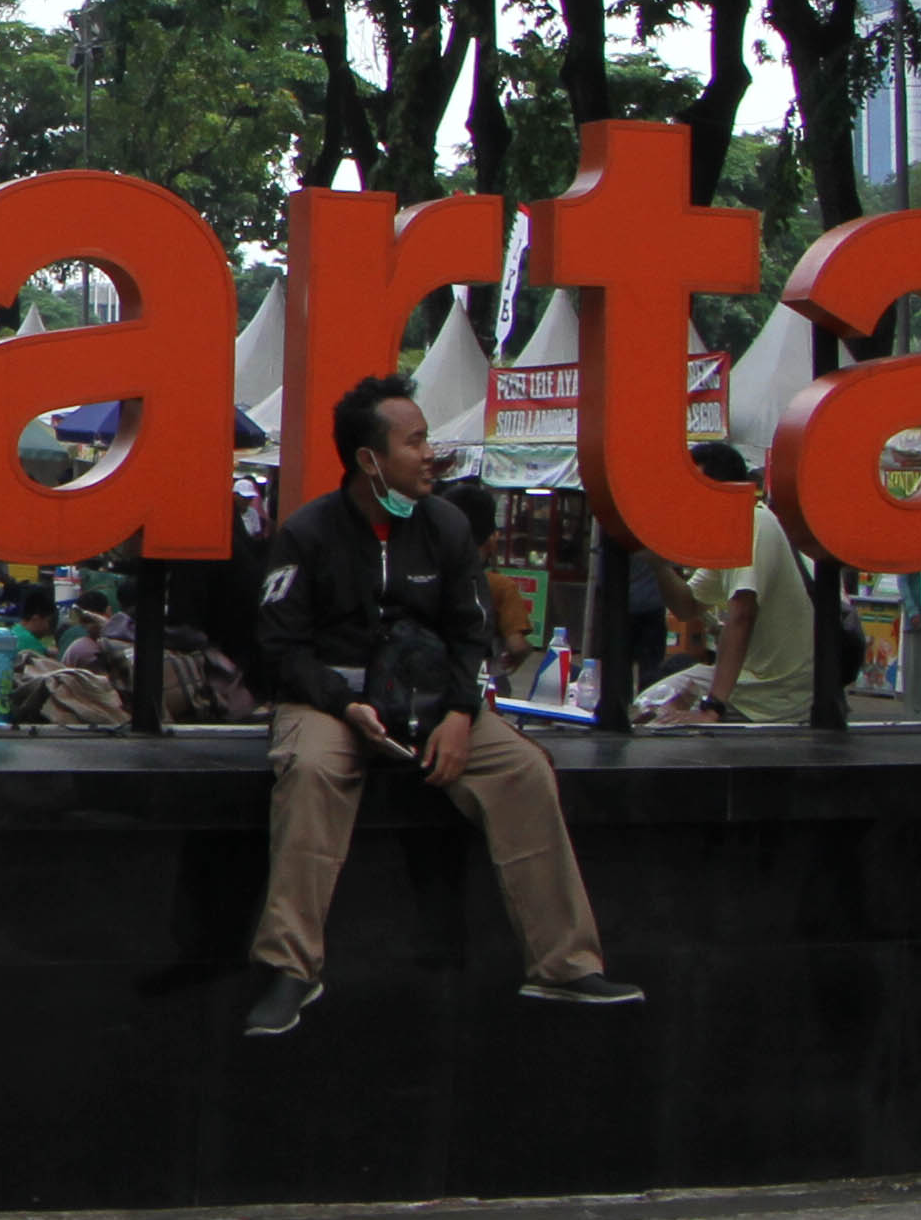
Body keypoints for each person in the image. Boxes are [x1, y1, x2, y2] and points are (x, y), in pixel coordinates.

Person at [241, 375, 632, 1032]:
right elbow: (280, 647)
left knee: (526, 770)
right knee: (309, 773)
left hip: (436, 703)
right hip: (334, 708)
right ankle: (291, 969)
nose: (431, 453)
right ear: (370, 459)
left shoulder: (447, 525)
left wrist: (459, 712)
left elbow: (471, 631)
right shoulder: (308, 533)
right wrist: (346, 704)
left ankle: (565, 965)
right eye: (415, 440)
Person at [687, 445, 819, 725]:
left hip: (772, 697)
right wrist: (656, 562)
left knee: (660, 725)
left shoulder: (751, 524)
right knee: (651, 701)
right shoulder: (729, 531)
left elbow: (742, 616)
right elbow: (687, 605)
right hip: (750, 682)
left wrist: (713, 709)